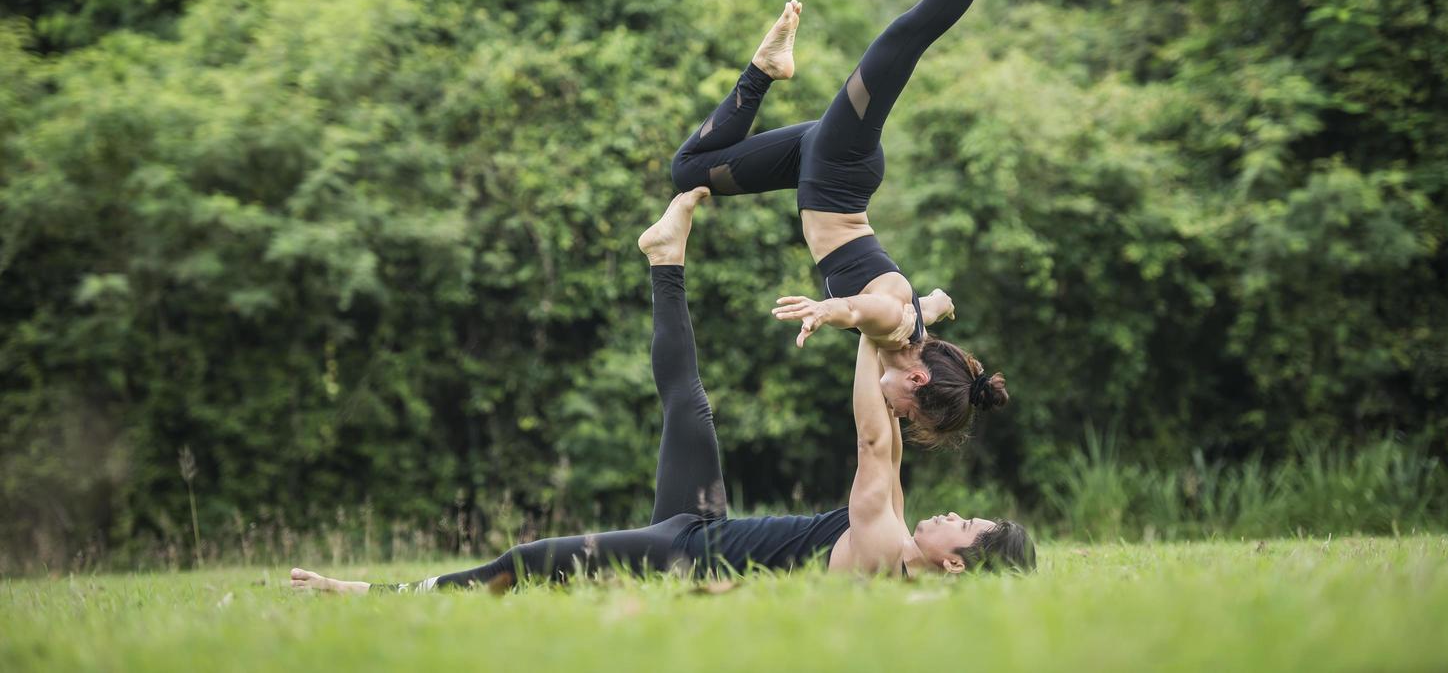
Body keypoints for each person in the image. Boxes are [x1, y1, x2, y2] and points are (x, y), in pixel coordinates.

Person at [289, 190, 1034, 594]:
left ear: (956, 562)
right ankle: (665, 255)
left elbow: (877, 438)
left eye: (963, 524)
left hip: (688, 553)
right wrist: (909, 320)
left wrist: (894, 320)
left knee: (538, 556)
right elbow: (892, 438)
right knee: (687, 402)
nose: (951, 512)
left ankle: (376, 597)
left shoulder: (881, 544)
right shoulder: (897, 548)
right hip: (705, 527)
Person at [671, 0, 1033, 446]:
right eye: (906, 414)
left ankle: (766, 68)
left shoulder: (916, 321)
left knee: (689, 172)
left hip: (818, 169)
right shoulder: (892, 325)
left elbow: (938, 301)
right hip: (839, 169)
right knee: (903, 38)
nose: (892, 412)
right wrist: (824, 311)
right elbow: (861, 311)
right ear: (916, 378)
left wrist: (938, 306)